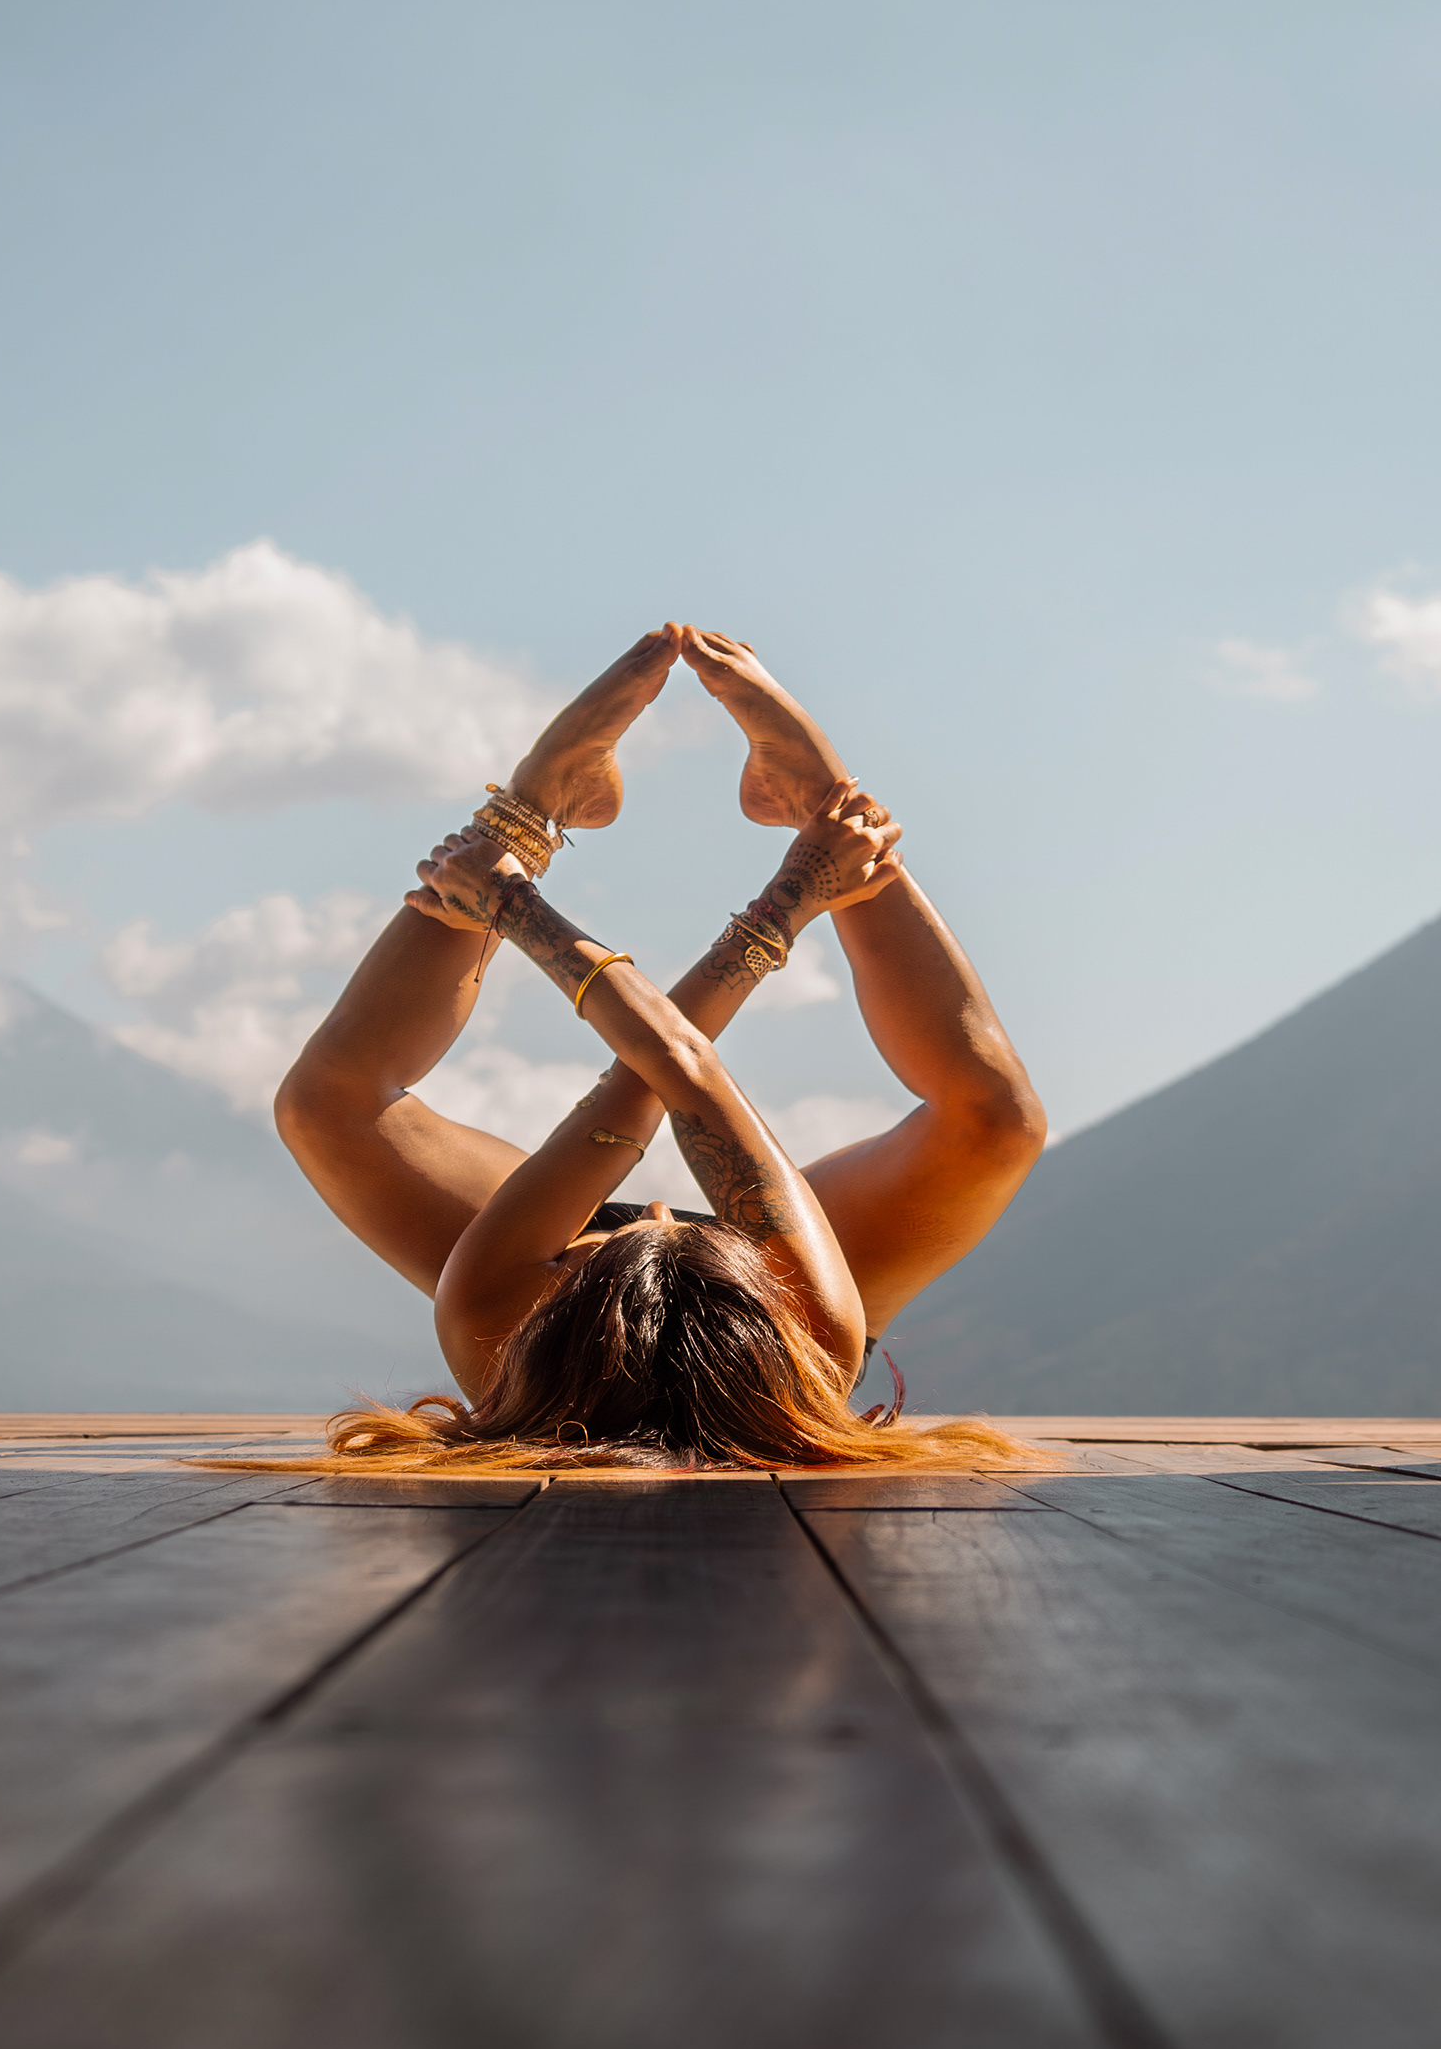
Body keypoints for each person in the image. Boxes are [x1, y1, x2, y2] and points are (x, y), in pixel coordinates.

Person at [251, 625, 1049, 1470]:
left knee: (322, 1107)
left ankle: (542, 807)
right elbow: (681, 1070)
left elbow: (646, 1082)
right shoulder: (810, 1330)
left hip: (573, 1323)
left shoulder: (498, 1321)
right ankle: (828, 811)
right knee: (996, 1124)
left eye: (611, 1241)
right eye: (676, 1226)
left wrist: (515, 846)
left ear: (562, 1283)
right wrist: (796, 890)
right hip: (767, 1330)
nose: (661, 1211)